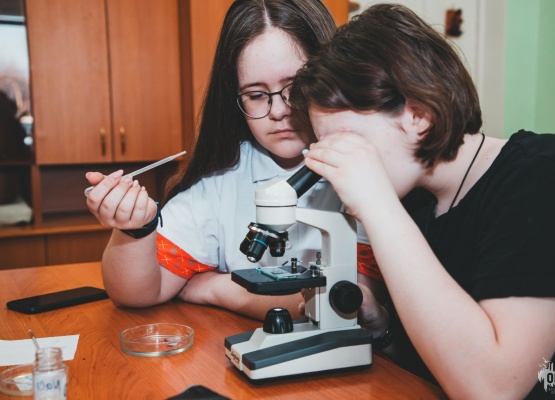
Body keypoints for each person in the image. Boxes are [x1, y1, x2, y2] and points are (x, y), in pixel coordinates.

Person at [294, 4, 555, 399]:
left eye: (346, 142)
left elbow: (491, 388)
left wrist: (377, 205)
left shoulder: (546, 176)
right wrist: (381, 326)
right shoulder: (416, 202)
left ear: (418, 115)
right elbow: (437, 364)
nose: (338, 164)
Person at [85, 0, 383, 321]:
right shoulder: (221, 182)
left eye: (295, 88)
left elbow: (351, 298)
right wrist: (134, 228)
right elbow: (136, 293)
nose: (278, 111)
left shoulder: (368, 171)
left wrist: (216, 288)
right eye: (256, 95)